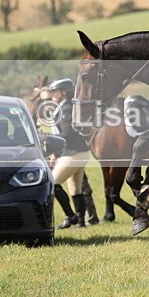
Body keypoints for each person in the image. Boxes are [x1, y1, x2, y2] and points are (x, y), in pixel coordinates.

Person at [46, 77, 95, 229]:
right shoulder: (62, 107)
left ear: (64, 92)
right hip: (77, 152)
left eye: (55, 91)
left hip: (75, 153)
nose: (52, 94)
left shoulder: (67, 108)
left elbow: (66, 135)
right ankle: (80, 222)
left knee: (52, 184)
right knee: (75, 189)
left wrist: (46, 139)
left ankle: (70, 216)